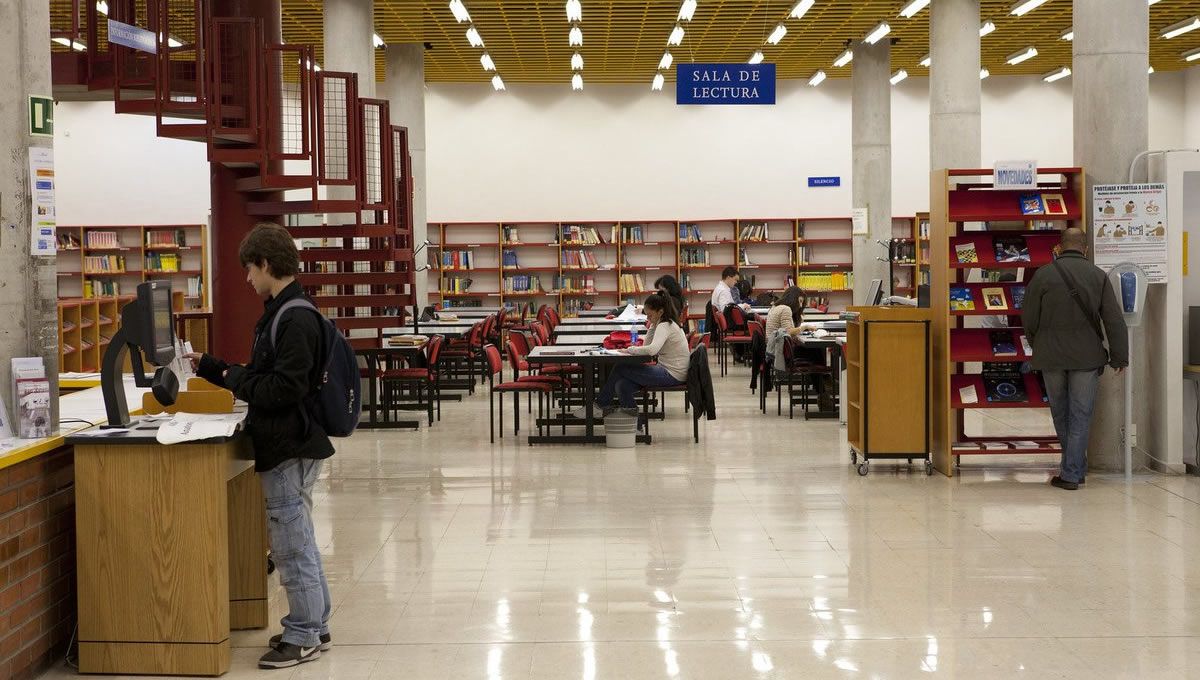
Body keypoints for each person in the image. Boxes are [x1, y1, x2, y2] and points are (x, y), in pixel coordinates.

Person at [186, 223, 334, 669]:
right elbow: (267, 375)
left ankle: (304, 632)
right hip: (287, 442)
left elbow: (281, 389)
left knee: (291, 544)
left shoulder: (296, 317)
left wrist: (233, 378)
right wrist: (217, 369)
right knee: (298, 537)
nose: (247, 279)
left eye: (250, 269)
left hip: (287, 443)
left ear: (266, 264)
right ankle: (315, 623)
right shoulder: (283, 311)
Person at [1022, 227, 1128, 491]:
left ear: (1059, 248)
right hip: (1086, 357)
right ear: (1086, 249)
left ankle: (1071, 472)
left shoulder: (1043, 275)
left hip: (1051, 356)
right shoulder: (1098, 276)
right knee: (1080, 414)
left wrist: (1039, 345)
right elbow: (1113, 320)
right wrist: (1119, 357)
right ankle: (1074, 470)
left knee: (1061, 413)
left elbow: (1029, 318)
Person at [575, 293, 689, 418]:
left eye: (650, 315)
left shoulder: (665, 325)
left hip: (672, 374)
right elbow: (646, 345)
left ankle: (600, 405)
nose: (648, 319)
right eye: (647, 316)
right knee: (622, 386)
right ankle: (636, 427)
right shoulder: (663, 323)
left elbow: (651, 350)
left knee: (620, 367)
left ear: (660, 312)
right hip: (669, 371)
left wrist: (630, 349)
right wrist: (652, 324)